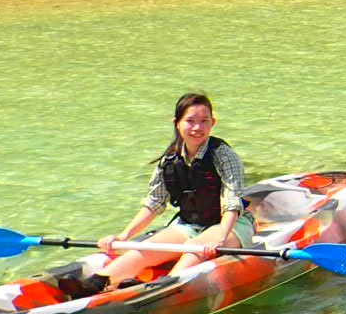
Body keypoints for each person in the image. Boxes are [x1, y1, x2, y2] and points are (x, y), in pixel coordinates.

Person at [92, 92, 251, 288]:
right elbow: (154, 203)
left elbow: (232, 201)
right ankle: (96, 283)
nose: (197, 127)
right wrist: (123, 237)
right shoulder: (169, 160)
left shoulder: (223, 155)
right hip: (188, 225)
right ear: (177, 123)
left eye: (204, 121)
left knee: (194, 250)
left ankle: (158, 289)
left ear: (213, 122)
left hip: (230, 226)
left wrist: (221, 237)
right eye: (190, 121)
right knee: (143, 249)